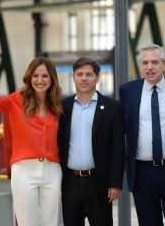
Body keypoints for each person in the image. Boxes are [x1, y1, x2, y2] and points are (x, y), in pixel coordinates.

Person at [0, 53, 63, 226]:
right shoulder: (16, 100)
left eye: (44, 76)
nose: (40, 80)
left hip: (52, 170)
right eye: (35, 75)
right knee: (27, 222)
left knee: (52, 222)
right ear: (29, 78)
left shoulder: (56, 105)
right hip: (24, 171)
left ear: (52, 79)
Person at [119, 44, 165, 226]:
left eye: (154, 62)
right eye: (144, 63)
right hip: (142, 172)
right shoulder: (127, 91)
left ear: (164, 64)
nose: (149, 67)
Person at [57, 57, 124, 226]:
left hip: (98, 182)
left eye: (88, 74)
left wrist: (115, 183)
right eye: (79, 74)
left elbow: (117, 149)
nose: (84, 78)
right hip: (70, 182)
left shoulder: (112, 107)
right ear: (73, 78)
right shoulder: (62, 107)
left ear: (98, 77)